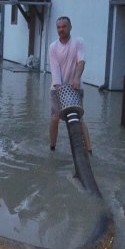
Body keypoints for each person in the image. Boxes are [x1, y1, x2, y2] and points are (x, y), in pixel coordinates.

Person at [49, 16, 92, 152]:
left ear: (70, 27)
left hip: (75, 87)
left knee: (79, 119)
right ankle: (52, 148)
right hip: (57, 88)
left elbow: (81, 61)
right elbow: (55, 69)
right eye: (58, 27)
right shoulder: (53, 47)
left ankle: (88, 150)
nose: (61, 29)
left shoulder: (78, 42)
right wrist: (59, 88)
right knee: (55, 118)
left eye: (64, 26)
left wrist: (76, 78)